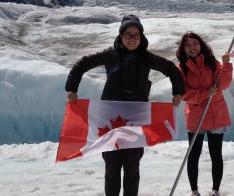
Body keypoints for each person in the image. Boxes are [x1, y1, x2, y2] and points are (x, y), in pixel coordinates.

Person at [65, 14, 185, 196]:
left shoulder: (146, 57)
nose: (132, 39)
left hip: (135, 122)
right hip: (109, 121)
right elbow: (83, 63)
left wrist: (178, 92)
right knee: (112, 169)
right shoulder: (110, 55)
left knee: (132, 169)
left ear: (141, 37)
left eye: (136, 35)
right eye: (128, 34)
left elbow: (170, 68)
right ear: (121, 36)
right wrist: (72, 88)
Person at [176, 32, 233, 196]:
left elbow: (223, 84)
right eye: (188, 45)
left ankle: (215, 191)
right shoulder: (182, 69)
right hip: (196, 116)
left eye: (195, 44)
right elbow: (183, 93)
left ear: (201, 45)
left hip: (216, 113)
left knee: (216, 154)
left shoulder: (212, 63)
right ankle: (194, 191)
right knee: (193, 155)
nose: (192, 48)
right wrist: (204, 94)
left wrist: (226, 65)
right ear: (183, 49)